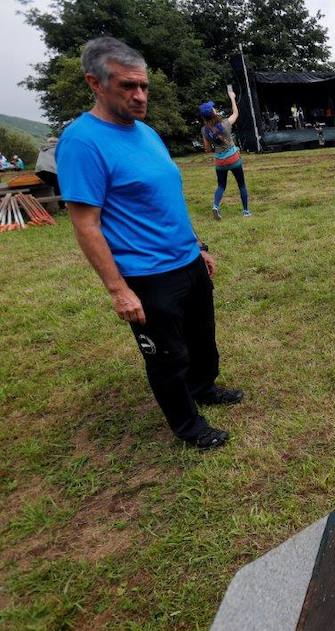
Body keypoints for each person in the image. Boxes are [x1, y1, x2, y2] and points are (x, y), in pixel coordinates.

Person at [57, 37, 242, 449]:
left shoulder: (146, 132)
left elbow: (167, 198)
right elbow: (86, 224)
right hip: (146, 274)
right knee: (167, 356)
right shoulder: (83, 142)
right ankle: (188, 426)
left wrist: (197, 246)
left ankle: (203, 387)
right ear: (95, 83)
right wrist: (118, 290)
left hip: (186, 260)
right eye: (128, 86)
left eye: (143, 86)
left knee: (202, 338)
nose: (140, 95)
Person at [200, 93, 250, 219]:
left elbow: (207, 149)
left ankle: (216, 206)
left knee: (221, 185)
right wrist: (232, 98)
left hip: (220, 162)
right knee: (241, 185)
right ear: (213, 113)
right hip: (233, 158)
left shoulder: (204, 130)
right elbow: (236, 114)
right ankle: (246, 212)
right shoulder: (225, 124)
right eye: (213, 108)